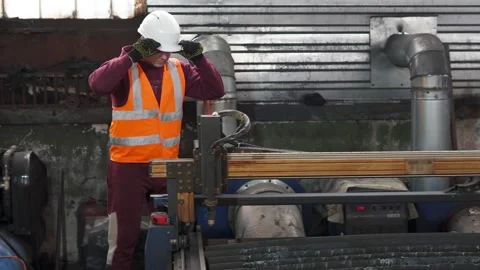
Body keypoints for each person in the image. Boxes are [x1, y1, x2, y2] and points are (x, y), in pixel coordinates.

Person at [88, 10, 225, 270]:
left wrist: (199, 60)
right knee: (122, 240)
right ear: (144, 43)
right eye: (160, 50)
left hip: (167, 168)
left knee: (173, 235)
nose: (166, 55)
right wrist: (131, 56)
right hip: (128, 169)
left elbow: (215, 90)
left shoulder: (179, 69)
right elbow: (97, 84)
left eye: (170, 50)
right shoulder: (124, 70)